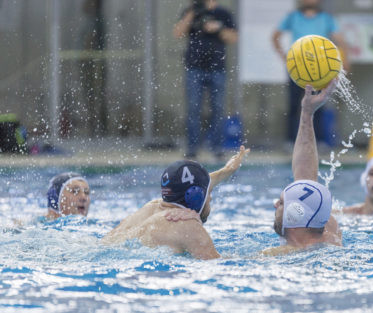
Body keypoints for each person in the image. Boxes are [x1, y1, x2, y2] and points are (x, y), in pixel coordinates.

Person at [102, 146, 249, 260]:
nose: (210, 198)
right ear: (195, 198)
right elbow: (222, 267)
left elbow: (193, 186)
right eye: (208, 193)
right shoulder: (186, 225)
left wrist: (227, 170)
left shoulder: (151, 207)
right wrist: (270, 254)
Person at [262, 82, 342, 257]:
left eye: (282, 202)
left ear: (295, 214)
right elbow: (306, 184)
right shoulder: (330, 235)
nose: (275, 204)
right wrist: (307, 113)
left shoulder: (274, 255)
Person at [272, 0, 349, 146]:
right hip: (298, 70)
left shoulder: (326, 18)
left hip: (320, 71)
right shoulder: (293, 17)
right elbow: (275, 37)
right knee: (293, 105)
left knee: (319, 105)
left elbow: (340, 41)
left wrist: (345, 61)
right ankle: (290, 141)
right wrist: (285, 57)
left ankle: (319, 141)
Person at [173, 0, 238, 158]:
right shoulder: (191, 11)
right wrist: (191, 14)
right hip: (194, 68)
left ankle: (216, 148)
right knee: (193, 109)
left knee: (218, 109)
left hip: (217, 68)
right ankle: (192, 148)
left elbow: (233, 38)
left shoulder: (223, 13)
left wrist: (218, 28)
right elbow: (177, 33)